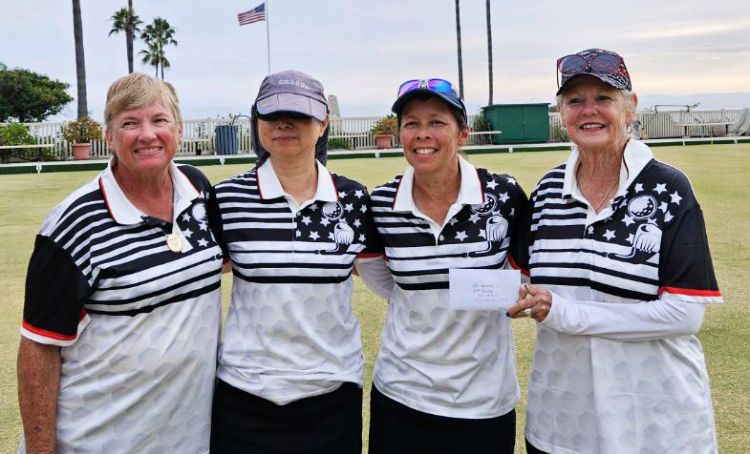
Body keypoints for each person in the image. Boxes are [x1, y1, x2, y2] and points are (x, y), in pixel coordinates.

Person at [509, 48, 723, 454]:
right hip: (561, 425)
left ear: (630, 107)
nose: (589, 110)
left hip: (656, 426)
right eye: (575, 101)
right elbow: (517, 279)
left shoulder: (669, 188)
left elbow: (683, 313)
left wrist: (566, 313)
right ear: (561, 111)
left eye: (604, 98)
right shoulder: (547, 191)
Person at [16, 72, 223, 453]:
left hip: (187, 439)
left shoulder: (198, 191)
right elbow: (38, 348)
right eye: (130, 123)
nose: (147, 134)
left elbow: (213, 263)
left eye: (159, 120)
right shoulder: (72, 225)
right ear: (109, 137)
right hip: (96, 440)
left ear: (178, 130)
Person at [208, 70, 382, 454]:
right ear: (257, 124)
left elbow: (388, 278)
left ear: (323, 124)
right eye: (271, 115)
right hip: (245, 394)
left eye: (299, 114)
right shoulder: (226, 198)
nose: (283, 123)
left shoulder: (353, 199)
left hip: (332, 394)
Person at [359, 78, 528, 453]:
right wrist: (429, 293)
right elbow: (382, 281)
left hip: (484, 402)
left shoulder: (504, 195)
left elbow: (524, 277)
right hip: (401, 395)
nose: (423, 134)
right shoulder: (381, 203)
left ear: (463, 133)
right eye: (411, 123)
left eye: (437, 122)